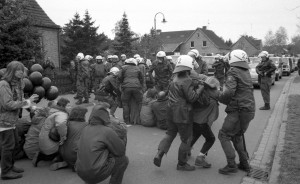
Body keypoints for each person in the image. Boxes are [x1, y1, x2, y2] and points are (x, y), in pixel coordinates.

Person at [153, 55, 203, 171]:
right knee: (187, 138)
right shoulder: (187, 80)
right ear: (188, 67)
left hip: (170, 110)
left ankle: (159, 154)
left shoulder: (174, 79)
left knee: (170, 133)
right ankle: (182, 164)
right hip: (183, 112)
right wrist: (200, 88)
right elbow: (192, 98)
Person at [217, 49, 255, 175]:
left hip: (238, 110)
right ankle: (244, 163)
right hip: (248, 109)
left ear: (233, 59)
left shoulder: (233, 71)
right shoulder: (245, 71)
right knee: (237, 135)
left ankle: (231, 164)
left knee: (224, 135)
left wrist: (218, 96)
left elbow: (228, 93)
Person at [0, 61, 38, 180]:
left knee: (15, 144)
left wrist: (31, 107)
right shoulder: (4, 84)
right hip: (3, 120)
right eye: (18, 70)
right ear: (11, 71)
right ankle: (5, 171)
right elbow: (7, 104)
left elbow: (20, 100)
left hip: (13, 120)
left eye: (22, 69)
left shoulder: (19, 83)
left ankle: (10, 166)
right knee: (8, 146)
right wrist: (27, 102)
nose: (21, 72)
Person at [76, 104, 129, 184]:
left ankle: (89, 181)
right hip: (96, 172)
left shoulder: (85, 128)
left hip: (80, 171)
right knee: (123, 160)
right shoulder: (107, 131)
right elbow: (120, 151)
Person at [33, 98, 71, 170]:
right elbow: (61, 124)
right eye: (68, 106)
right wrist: (63, 137)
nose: (71, 107)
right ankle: (59, 160)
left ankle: (42, 156)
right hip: (50, 145)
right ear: (62, 106)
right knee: (67, 140)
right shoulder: (62, 114)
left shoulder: (51, 111)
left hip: (42, 142)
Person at [190, 75, 220, 168]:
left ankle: (186, 151)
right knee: (211, 139)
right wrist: (208, 126)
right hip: (203, 123)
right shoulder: (213, 101)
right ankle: (200, 158)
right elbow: (212, 117)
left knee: (195, 135)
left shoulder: (199, 94)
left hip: (194, 121)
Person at [59, 106, 88, 170]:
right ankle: (75, 165)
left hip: (62, 152)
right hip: (75, 153)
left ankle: (67, 162)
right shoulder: (86, 125)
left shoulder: (67, 123)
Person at [119, 58, 144, 125]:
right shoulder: (138, 68)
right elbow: (141, 78)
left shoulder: (123, 68)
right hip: (137, 87)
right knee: (140, 102)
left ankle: (127, 121)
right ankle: (140, 119)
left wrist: (122, 83)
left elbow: (119, 77)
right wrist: (140, 85)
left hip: (126, 87)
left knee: (125, 103)